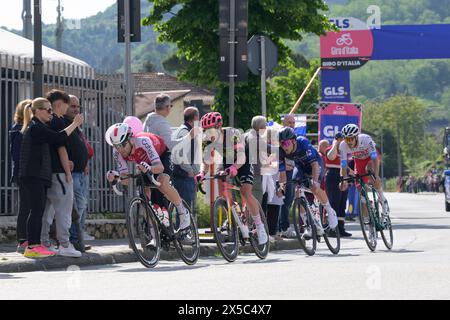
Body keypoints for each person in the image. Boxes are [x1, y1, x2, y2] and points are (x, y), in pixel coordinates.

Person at [19, 98, 83, 258]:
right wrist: (74, 124)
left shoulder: (39, 127)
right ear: (38, 111)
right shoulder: (36, 128)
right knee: (36, 211)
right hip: (33, 175)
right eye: (48, 110)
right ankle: (32, 246)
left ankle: (37, 244)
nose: (51, 114)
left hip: (37, 176)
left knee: (38, 211)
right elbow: (58, 138)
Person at [195, 112, 268, 245]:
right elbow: (205, 162)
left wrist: (234, 167)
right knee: (220, 180)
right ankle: (233, 211)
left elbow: (241, 157)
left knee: (245, 191)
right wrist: (201, 173)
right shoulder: (206, 140)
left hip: (243, 159)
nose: (208, 133)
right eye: (206, 130)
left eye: (211, 129)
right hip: (227, 160)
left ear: (219, 126)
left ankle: (259, 226)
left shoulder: (232, 134)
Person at [105, 123, 191, 230]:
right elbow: (125, 180)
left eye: (122, 145)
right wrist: (116, 177)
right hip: (145, 163)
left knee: (162, 183)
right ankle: (153, 232)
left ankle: (183, 213)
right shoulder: (117, 152)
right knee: (142, 195)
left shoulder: (143, 141)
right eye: (116, 146)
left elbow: (160, 168)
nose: (119, 149)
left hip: (162, 155)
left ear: (131, 140)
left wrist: (149, 168)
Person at [40, 90, 82, 258]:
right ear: (59, 104)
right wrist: (67, 172)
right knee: (63, 211)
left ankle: (44, 242)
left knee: (48, 212)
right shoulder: (57, 121)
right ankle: (64, 244)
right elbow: (61, 148)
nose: (68, 108)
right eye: (67, 104)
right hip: (59, 173)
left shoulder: (47, 121)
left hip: (49, 173)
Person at [277, 127, 338, 237]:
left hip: (314, 164)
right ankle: (307, 226)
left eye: (286, 143)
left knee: (315, 188)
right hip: (300, 166)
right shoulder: (281, 151)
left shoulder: (302, 142)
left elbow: (314, 165)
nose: (283, 147)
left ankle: (330, 211)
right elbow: (282, 174)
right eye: (281, 144)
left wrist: (315, 182)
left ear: (293, 141)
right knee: (297, 190)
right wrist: (281, 187)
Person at [339, 124, 389, 224]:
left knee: (370, 171)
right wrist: (343, 179)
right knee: (360, 190)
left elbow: (375, 158)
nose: (349, 142)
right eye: (346, 139)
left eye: (350, 139)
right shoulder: (343, 145)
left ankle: (382, 199)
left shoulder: (366, 139)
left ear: (356, 137)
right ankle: (367, 219)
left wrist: (376, 175)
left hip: (371, 159)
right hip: (359, 161)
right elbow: (343, 165)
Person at [65, 95, 93, 251]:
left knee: (81, 206)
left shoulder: (76, 125)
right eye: (72, 106)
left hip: (81, 171)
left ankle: (78, 238)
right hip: (72, 172)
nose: (76, 109)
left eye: (77, 106)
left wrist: (85, 163)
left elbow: (82, 145)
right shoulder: (66, 123)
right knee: (79, 205)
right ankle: (73, 238)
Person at [9, 99, 32, 253]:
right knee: (25, 206)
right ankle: (22, 240)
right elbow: (17, 155)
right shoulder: (18, 130)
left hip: (26, 173)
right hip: (24, 174)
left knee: (29, 206)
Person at [171, 107, 201, 211]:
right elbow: (180, 153)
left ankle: (184, 227)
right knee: (186, 209)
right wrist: (190, 171)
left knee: (183, 209)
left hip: (181, 174)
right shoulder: (185, 132)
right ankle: (185, 228)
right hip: (184, 176)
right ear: (196, 117)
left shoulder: (182, 130)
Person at [326, 132, 352, 237]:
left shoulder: (343, 152)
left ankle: (341, 227)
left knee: (342, 203)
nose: (343, 141)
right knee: (334, 202)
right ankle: (332, 228)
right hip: (332, 175)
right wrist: (334, 145)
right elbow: (331, 157)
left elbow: (345, 166)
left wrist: (352, 173)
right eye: (340, 139)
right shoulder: (330, 149)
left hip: (343, 175)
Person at [278, 115, 296, 238]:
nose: (291, 124)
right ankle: (283, 227)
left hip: (292, 170)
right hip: (282, 171)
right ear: (283, 122)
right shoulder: (280, 134)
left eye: (293, 122)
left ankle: (283, 226)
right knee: (284, 199)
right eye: (289, 122)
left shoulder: (296, 135)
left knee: (290, 199)